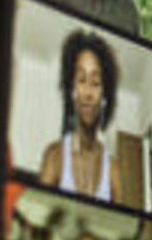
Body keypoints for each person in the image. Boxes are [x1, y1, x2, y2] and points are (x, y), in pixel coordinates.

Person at [38, 30, 125, 204]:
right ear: (72, 91)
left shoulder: (113, 169)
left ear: (105, 96)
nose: (87, 93)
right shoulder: (54, 156)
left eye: (95, 83)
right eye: (81, 80)